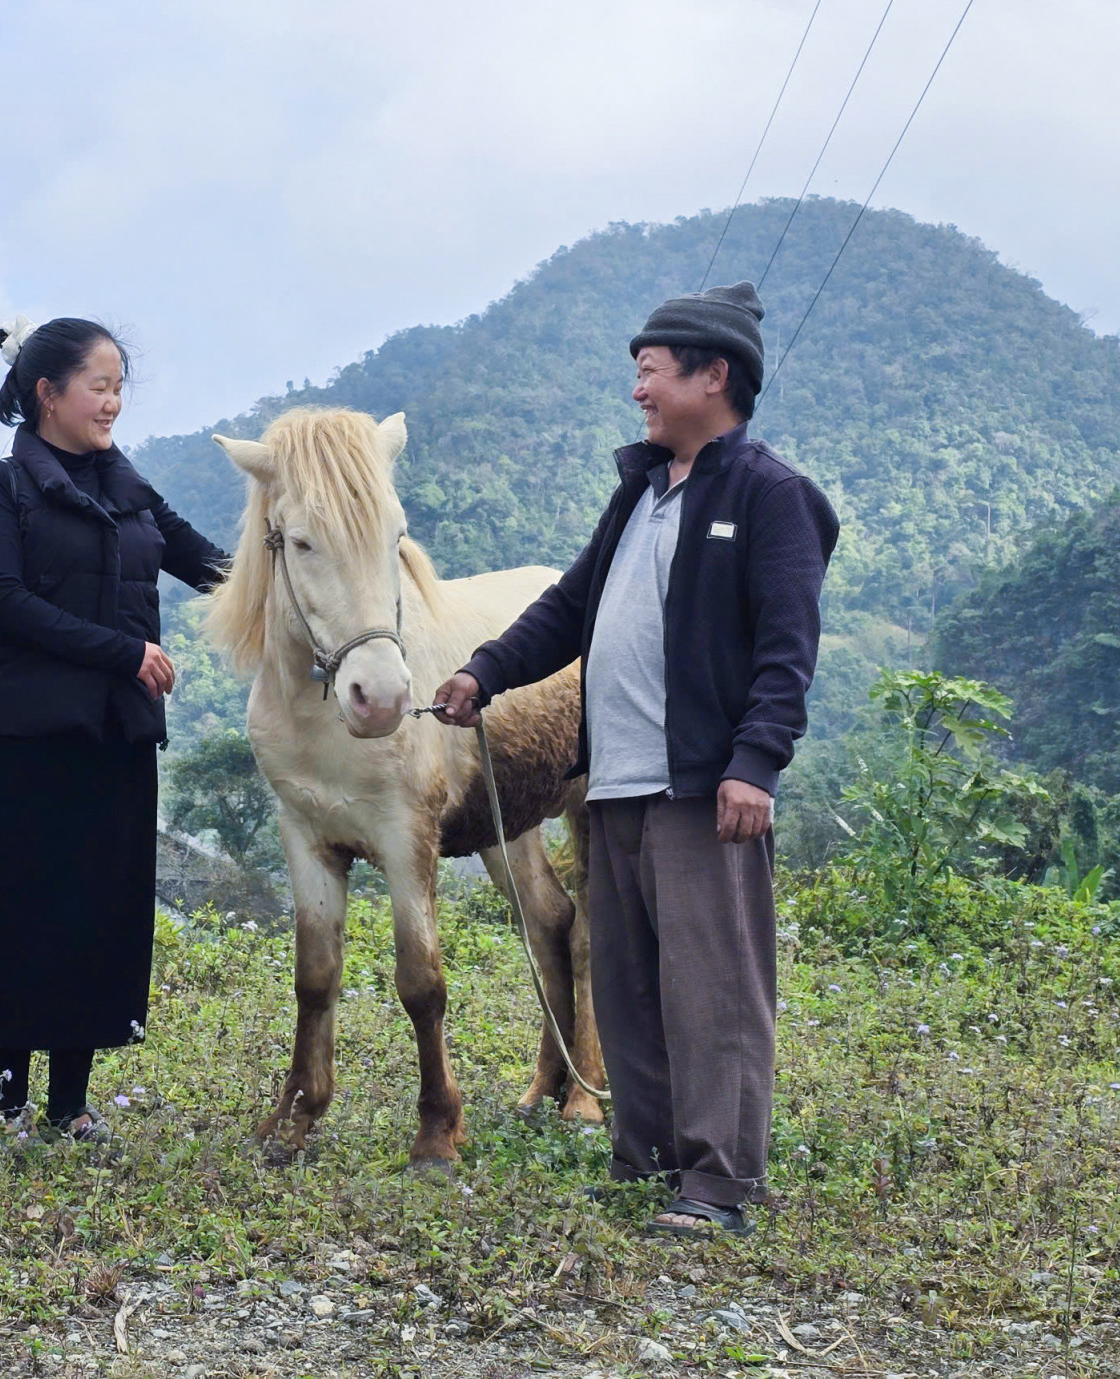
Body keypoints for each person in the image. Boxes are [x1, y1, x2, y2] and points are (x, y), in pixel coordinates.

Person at [431, 282, 838, 1236]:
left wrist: (755, 763)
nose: (638, 393)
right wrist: (481, 672)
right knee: (627, 984)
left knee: (715, 990)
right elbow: (571, 609)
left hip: (702, 786)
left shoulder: (772, 497)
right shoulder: (642, 491)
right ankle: (646, 1162)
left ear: (714, 375)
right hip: (615, 784)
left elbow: (788, 647)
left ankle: (719, 1184)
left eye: (650, 372)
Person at [0, 315, 228, 1140]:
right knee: (18, 907)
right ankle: (9, 1100)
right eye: (97, 386)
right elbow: (0, 597)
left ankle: (70, 1103)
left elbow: (215, 568)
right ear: (47, 393)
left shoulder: (132, 491)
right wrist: (122, 651)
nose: (112, 402)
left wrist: (309, 555)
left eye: (119, 387)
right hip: (27, 732)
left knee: (96, 912)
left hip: (117, 735)